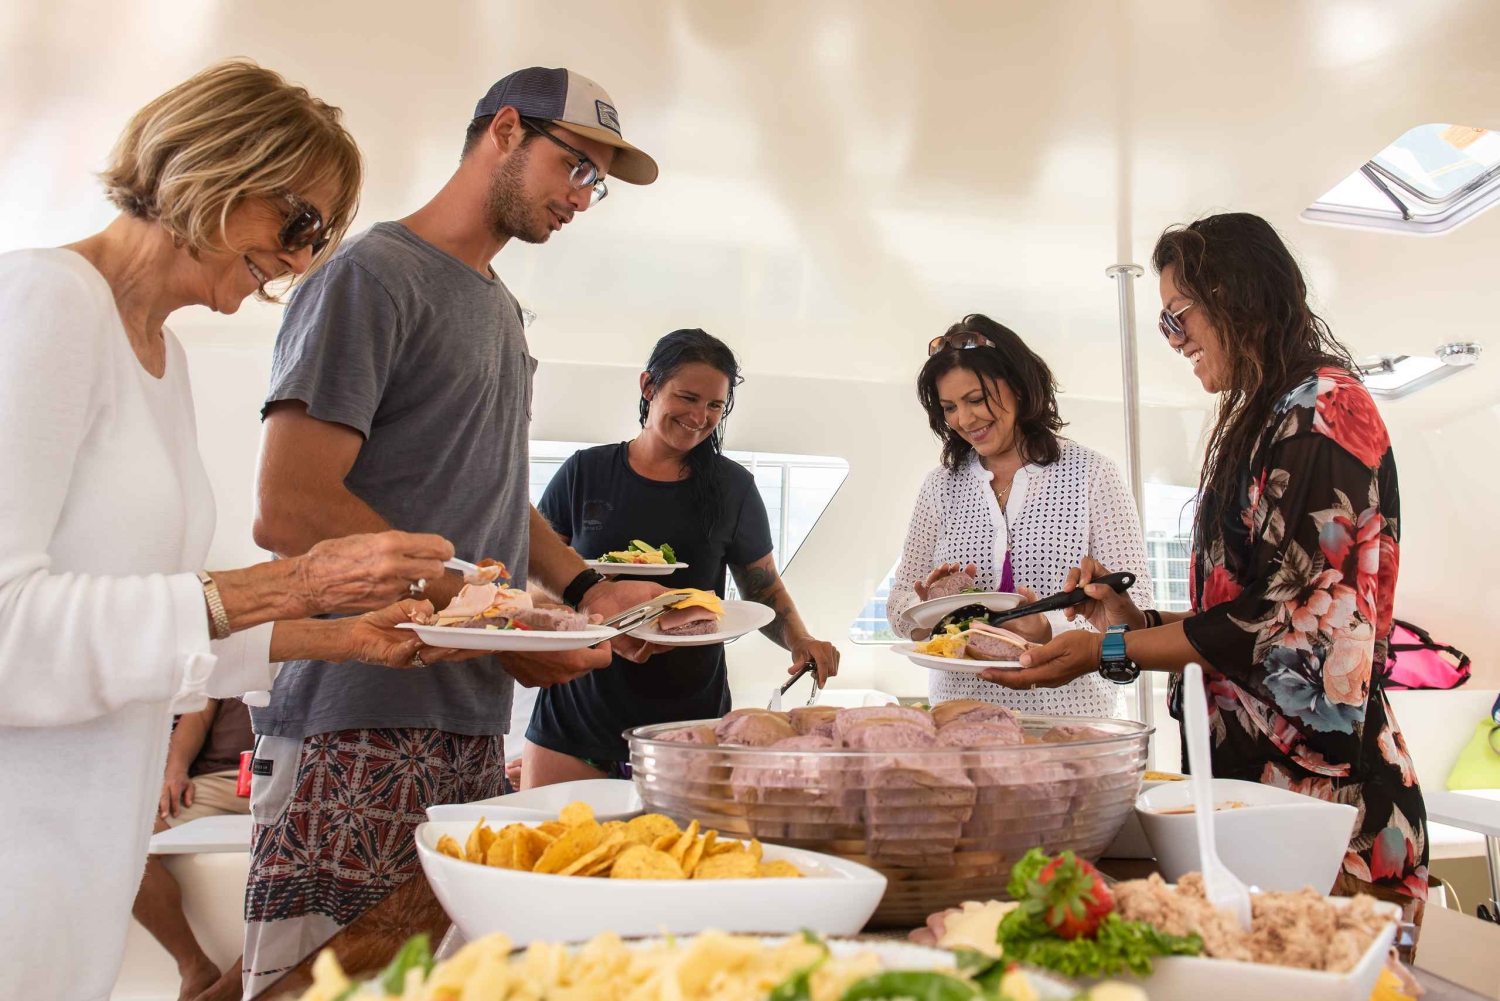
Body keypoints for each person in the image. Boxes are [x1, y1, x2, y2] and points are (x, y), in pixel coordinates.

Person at [0, 59, 462, 1001]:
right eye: (298, 224)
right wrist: (296, 582)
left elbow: (159, 631)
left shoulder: (159, 357)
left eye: (318, 240)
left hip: (83, 850)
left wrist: (342, 637)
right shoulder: (46, 300)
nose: (300, 260)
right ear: (216, 166)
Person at [243, 66, 666, 994]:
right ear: (505, 130)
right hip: (354, 715)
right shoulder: (371, 275)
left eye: (597, 184)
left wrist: (588, 589)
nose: (582, 199)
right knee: (315, 986)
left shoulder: (500, 308)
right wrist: (494, 616)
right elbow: (291, 504)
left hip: (469, 723)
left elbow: (495, 489)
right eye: (577, 167)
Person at [989, 212, 1428, 939]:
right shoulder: (1270, 416)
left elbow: (1291, 626)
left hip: (1327, 816)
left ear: (1235, 294)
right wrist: (1130, 622)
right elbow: (1247, 613)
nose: (1175, 339)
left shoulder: (1323, 411)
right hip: (1261, 801)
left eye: (1179, 315)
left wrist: (1109, 652)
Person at [527, 329, 841, 784]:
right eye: (688, 398)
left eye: (715, 405)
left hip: (690, 725)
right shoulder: (584, 472)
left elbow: (762, 587)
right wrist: (579, 612)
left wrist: (800, 640)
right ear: (648, 387)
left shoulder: (733, 488)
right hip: (574, 717)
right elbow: (535, 578)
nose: (699, 417)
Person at [885, 315, 1153, 716]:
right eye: (950, 408)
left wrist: (1048, 629)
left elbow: (1136, 612)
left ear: (1020, 387)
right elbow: (898, 608)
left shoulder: (1093, 474)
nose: (964, 420)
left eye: (976, 400)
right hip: (961, 717)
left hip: (1073, 717)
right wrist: (933, 608)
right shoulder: (939, 486)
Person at [134, 699, 255, 1000]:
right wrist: (174, 770)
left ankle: (245, 974)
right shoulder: (217, 665)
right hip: (218, 779)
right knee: (124, 850)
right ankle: (194, 966)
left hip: (294, 777)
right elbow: (198, 713)